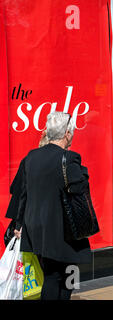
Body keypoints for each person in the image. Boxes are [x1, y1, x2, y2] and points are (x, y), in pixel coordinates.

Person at [14, 112, 92, 300]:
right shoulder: (69, 158)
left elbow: (24, 193)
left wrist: (18, 225)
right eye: (71, 132)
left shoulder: (31, 157)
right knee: (60, 276)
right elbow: (80, 187)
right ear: (67, 133)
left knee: (51, 273)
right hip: (60, 229)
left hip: (35, 226)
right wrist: (83, 170)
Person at [4, 132, 48, 245]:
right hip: (31, 218)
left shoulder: (28, 159)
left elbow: (14, 188)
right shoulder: (45, 163)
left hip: (23, 217)